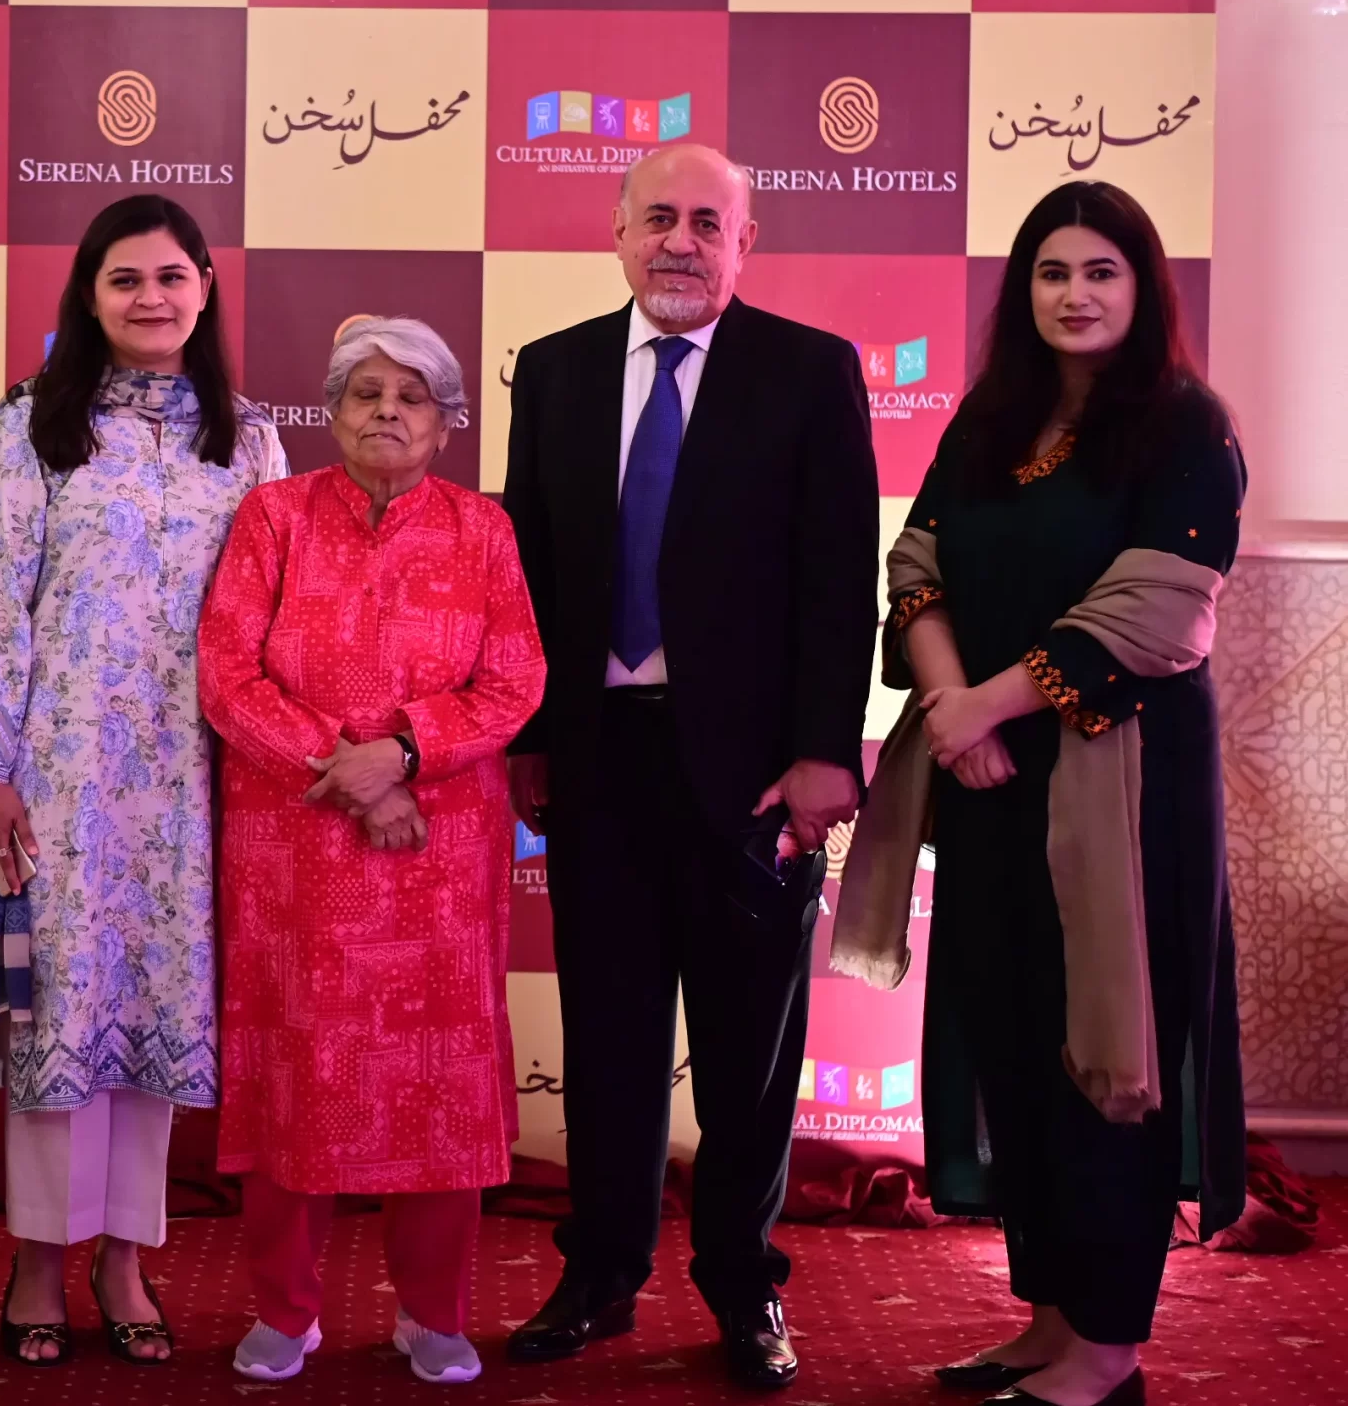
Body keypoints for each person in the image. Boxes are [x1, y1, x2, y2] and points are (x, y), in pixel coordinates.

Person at [832, 183, 1246, 1406]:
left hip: (1123, 795)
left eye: (1100, 272)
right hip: (988, 781)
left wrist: (987, 707)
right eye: (1052, 273)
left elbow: (1159, 609)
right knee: (1010, 1037)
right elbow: (916, 567)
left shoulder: (1184, 425)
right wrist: (953, 709)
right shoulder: (990, 418)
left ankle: (1107, 1350)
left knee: (1101, 1055)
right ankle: (1050, 1319)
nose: (1074, 295)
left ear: (1141, 287)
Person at [498, 142, 879, 1390]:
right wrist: (529, 736)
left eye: (707, 222)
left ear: (744, 243)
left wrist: (823, 753)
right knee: (607, 1041)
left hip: (755, 779)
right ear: (616, 232)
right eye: (657, 216)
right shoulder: (553, 371)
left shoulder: (808, 372)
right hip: (597, 763)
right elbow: (528, 572)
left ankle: (741, 1285)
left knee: (746, 1058)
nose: (679, 241)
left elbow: (839, 578)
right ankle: (601, 1276)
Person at [0, 192, 285, 1367]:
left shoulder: (250, 440)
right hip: (57, 778)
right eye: (125, 279)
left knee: (154, 1015)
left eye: (170, 277)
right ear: (89, 296)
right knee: (56, 1018)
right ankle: (36, 1260)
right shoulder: (33, 426)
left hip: (194, 785)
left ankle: (125, 1257)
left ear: (205, 289)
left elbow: (277, 616)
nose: (150, 298)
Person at [199, 318, 546, 1387]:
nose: (386, 410)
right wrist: (344, 769)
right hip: (293, 848)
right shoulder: (273, 517)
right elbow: (225, 673)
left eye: (411, 396)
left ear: (446, 424)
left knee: (436, 1084)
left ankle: (433, 1315)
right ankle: (284, 1310)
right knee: (293, 1078)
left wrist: (400, 756)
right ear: (333, 411)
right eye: (365, 392)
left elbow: (515, 680)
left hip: (436, 855)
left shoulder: (483, 529)